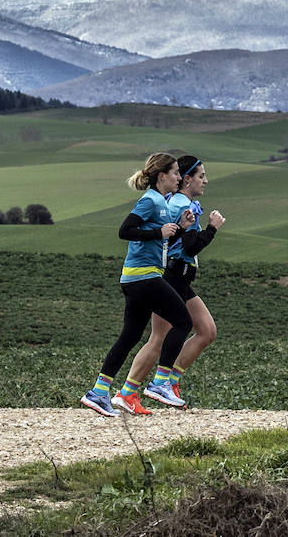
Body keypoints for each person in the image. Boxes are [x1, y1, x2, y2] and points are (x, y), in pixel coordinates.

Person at [79, 152, 194, 417]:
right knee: (183, 322)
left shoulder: (160, 203)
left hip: (135, 277)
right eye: (176, 173)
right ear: (162, 176)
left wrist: (180, 227)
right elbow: (125, 231)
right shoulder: (150, 200)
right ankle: (160, 383)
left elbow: (158, 237)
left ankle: (98, 391)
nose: (179, 177)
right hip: (144, 277)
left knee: (130, 335)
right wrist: (159, 231)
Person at [112, 154, 225, 414]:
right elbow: (188, 245)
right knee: (159, 338)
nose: (206, 181)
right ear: (187, 180)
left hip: (182, 277)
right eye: (201, 176)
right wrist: (212, 229)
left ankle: (165, 383)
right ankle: (137, 390)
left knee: (206, 330)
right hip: (172, 275)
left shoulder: (182, 203)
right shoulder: (180, 205)